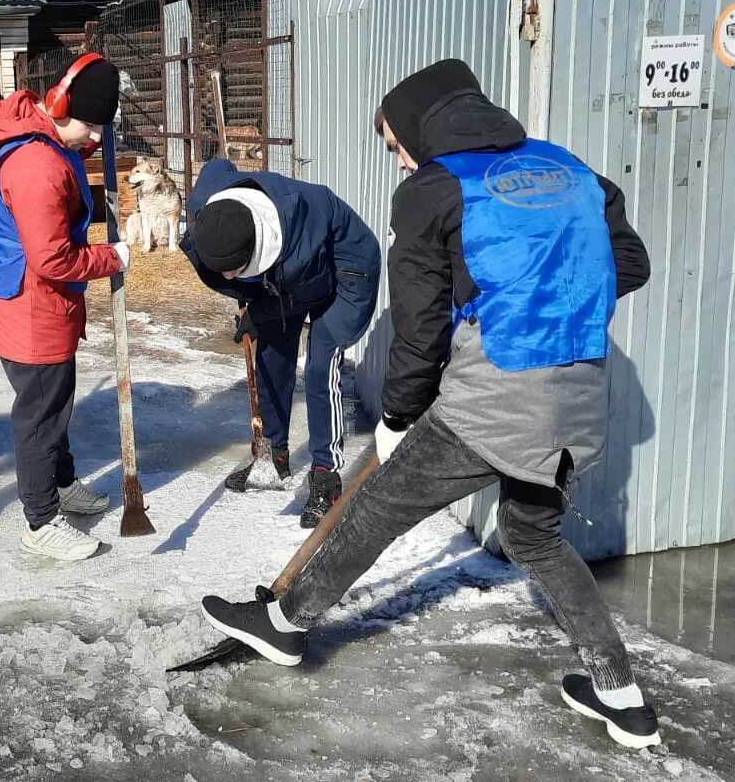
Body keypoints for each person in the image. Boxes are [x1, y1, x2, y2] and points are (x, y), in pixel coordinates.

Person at [197, 59, 658, 749]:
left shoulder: (434, 191)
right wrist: (541, 291)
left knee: (378, 505)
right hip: (577, 400)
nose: (399, 161)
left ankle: (285, 625)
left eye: (395, 145)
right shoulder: (570, 169)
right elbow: (629, 262)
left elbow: (419, 333)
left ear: (422, 127)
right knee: (535, 537)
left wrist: (396, 416)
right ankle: (622, 696)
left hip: (492, 403)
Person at [0, 53, 132, 561]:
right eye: (92, 126)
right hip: (31, 311)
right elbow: (53, 259)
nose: (97, 139)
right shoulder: (37, 165)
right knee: (41, 415)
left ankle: (61, 484)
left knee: (53, 407)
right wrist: (112, 257)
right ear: (60, 107)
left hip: (21, 301)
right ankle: (41, 521)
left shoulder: (35, 137)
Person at [181, 159, 380, 527]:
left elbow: (303, 293)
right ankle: (274, 457)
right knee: (272, 353)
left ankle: (325, 476)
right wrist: (251, 297)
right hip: (286, 272)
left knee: (321, 366)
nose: (226, 278)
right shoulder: (207, 206)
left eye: (234, 271)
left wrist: (260, 311)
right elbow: (217, 167)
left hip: (345, 268)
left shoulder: (297, 252)